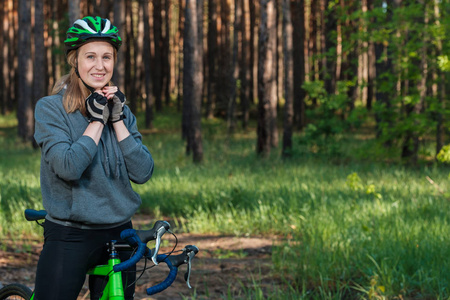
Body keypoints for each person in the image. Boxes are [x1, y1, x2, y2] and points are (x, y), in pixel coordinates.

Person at [33, 16, 154, 300]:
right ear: (74, 60)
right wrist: (97, 121)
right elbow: (69, 167)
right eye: (90, 56)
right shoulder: (51, 109)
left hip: (120, 234)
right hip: (70, 234)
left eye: (107, 57)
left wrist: (118, 119)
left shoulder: (121, 109)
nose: (100, 66)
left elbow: (143, 171)